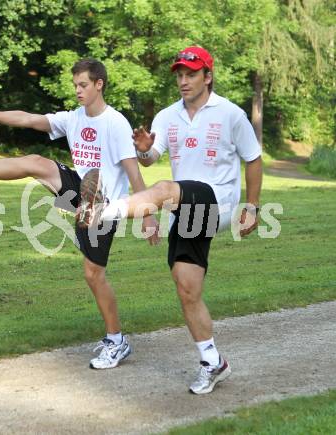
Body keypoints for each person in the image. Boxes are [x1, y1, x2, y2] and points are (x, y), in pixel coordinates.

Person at [0, 58, 159, 370]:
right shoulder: (73, 118)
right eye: (75, 86)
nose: (77, 91)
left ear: (99, 84)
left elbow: (133, 172)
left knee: (93, 274)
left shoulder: (115, 123)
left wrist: (147, 213)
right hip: (83, 194)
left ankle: (117, 340)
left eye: (83, 85)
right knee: (37, 163)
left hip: (104, 207)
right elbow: (29, 120)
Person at [80, 46, 263, 393]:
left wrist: (251, 207)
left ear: (207, 77)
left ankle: (103, 210)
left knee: (164, 189)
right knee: (186, 286)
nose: (183, 81)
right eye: (179, 75)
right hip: (187, 208)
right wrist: (145, 148)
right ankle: (213, 362)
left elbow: (253, 159)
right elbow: (150, 158)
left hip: (219, 200)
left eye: (191, 74)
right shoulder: (167, 116)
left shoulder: (231, 114)